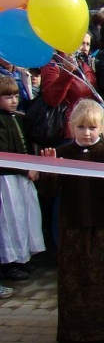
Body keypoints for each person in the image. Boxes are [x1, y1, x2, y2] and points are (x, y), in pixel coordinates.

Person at [40, 100, 104, 343]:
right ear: (71, 127)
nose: (87, 133)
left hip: (103, 231)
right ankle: (74, 339)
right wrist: (49, 170)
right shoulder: (63, 154)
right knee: (74, 286)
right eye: (81, 127)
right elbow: (48, 193)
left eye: (92, 127)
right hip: (73, 230)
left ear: (102, 128)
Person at [0, 76, 44, 281]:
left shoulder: (17, 118)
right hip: (6, 179)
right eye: (8, 97)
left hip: (20, 178)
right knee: (8, 221)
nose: (14, 101)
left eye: (16, 96)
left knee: (23, 218)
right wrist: (25, 170)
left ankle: (21, 258)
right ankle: (8, 263)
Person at [40, 33, 96, 142]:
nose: (85, 47)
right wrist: (67, 72)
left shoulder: (86, 67)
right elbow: (52, 99)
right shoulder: (53, 65)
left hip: (87, 126)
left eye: (88, 44)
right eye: (81, 43)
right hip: (65, 130)